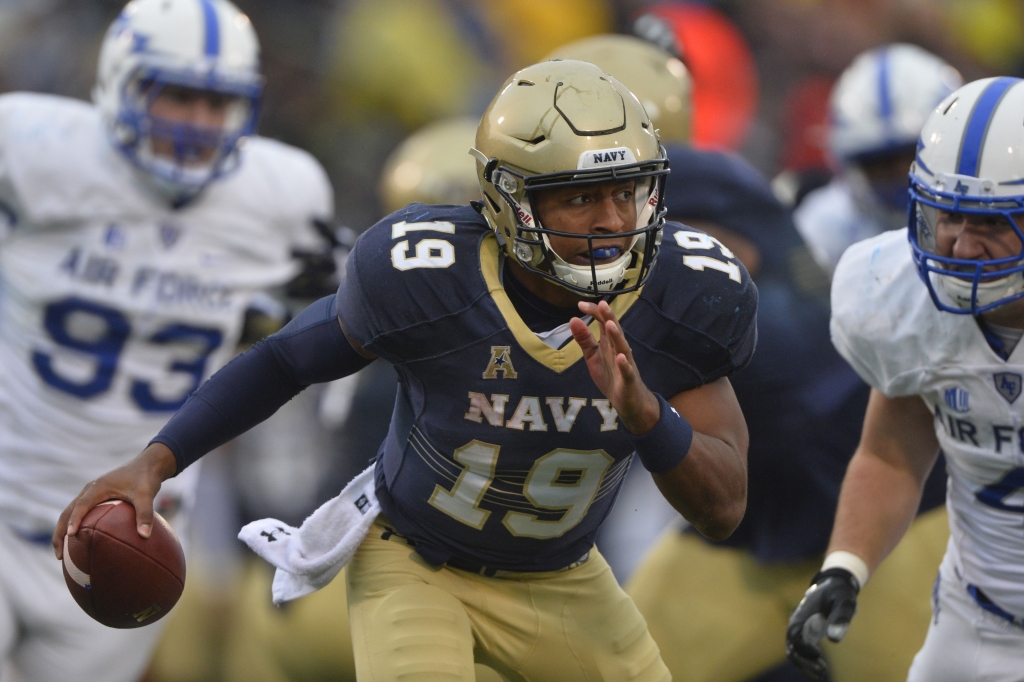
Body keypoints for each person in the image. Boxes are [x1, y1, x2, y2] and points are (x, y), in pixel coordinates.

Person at [56, 59, 758, 681]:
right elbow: (285, 359)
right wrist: (158, 461)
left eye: (627, 191)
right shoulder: (430, 276)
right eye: (579, 196)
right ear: (512, 200)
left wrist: (650, 421)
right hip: (419, 566)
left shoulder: (686, 296)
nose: (611, 219)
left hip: (567, 579)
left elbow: (723, 510)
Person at [0, 0, 333, 679]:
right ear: (122, 82)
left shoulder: (284, 197)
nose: (198, 124)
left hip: (129, 539)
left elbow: (306, 342)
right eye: (177, 96)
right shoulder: (31, 150)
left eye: (218, 104)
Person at [626, 143, 947, 682]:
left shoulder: (696, 205)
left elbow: (718, 292)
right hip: (755, 529)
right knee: (622, 664)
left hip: (883, 522)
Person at [786, 76, 1024, 682]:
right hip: (977, 623)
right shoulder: (906, 301)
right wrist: (844, 566)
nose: (963, 244)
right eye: (950, 214)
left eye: (993, 223)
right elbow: (891, 456)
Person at [794, 44, 962, 275]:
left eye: (914, 158)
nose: (902, 178)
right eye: (879, 165)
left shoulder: (994, 211)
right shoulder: (825, 229)